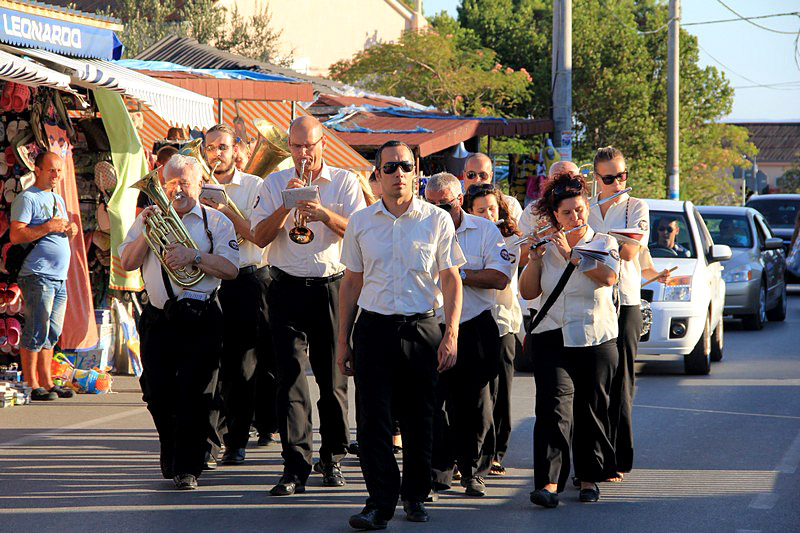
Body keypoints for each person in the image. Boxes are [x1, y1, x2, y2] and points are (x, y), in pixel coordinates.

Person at [336, 141, 463, 530]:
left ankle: (415, 495)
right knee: (373, 421)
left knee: (418, 418)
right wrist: (342, 339)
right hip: (373, 328)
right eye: (389, 168)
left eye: (404, 167)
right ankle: (379, 502)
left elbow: (450, 278)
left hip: (422, 328)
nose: (397, 175)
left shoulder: (436, 220)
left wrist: (451, 332)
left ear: (416, 170)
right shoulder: (361, 222)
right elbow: (351, 282)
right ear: (377, 174)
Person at [252, 115, 366, 495]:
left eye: (310, 146)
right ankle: (294, 465)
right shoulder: (273, 183)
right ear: (290, 146)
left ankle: (332, 458)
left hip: (332, 287)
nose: (304, 154)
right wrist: (286, 206)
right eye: (297, 147)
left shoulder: (345, 181)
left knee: (333, 380)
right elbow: (258, 236)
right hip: (285, 287)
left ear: (322, 144)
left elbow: (359, 230)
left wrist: (323, 214)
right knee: (290, 381)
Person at [120, 154, 239, 490]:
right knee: (156, 392)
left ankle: (187, 466)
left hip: (201, 315)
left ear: (199, 185)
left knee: (195, 393)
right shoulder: (148, 218)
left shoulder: (215, 222)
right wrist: (145, 229)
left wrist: (194, 257)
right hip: (159, 316)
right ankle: (170, 446)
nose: (177, 190)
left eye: (184, 183)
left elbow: (230, 269)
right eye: (170, 184)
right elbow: (127, 261)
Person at [519, 171, 620, 506]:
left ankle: (589, 477)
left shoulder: (603, 242)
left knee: (591, 408)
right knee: (552, 408)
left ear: (586, 205)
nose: (575, 216)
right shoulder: (546, 245)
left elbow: (608, 277)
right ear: (554, 215)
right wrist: (533, 260)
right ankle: (548, 482)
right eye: (566, 212)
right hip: (552, 334)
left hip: (594, 335)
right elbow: (529, 291)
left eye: (579, 209)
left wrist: (573, 256)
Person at [426, 172, 513, 498]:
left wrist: (456, 274)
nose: (437, 211)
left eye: (445, 205)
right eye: (431, 204)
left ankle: (474, 471)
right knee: (434, 404)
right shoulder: (419, 225)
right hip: (431, 324)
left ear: (460, 200)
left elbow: (499, 277)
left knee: (476, 404)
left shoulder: (485, 229)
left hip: (474, 323)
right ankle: (438, 471)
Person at [199, 123, 272, 467]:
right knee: (208, 365)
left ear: (235, 149)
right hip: (206, 282)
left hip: (244, 280)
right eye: (211, 148)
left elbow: (256, 236)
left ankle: (237, 440)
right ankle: (208, 442)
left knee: (241, 365)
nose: (217, 154)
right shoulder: (195, 184)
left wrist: (224, 209)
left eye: (223, 147)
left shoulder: (254, 186)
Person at [586, 146, 648, 483]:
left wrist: (596, 241)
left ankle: (618, 458)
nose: (617, 182)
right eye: (609, 178)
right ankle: (590, 457)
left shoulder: (636, 206)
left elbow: (628, 251)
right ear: (597, 179)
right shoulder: (588, 209)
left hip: (625, 301)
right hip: (592, 301)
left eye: (622, 175)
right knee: (593, 385)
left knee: (621, 382)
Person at [463, 185, 523, 477]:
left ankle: (496, 452)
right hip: (470, 321)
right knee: (476, 395)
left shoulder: (510, 241)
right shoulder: (463, 235)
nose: (488, 215)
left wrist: (466, 274)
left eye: (492, 209)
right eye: (481, 210)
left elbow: (498, 277)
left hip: (503, 322)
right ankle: (469, 454)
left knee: (501, 392)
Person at [10, 152, 78, 401]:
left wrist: (71, 230)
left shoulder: (57, 199)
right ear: (37, 170)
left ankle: (48, 382)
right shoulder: (27, 198)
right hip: (37, 274)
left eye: (59, 171)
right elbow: (16, 235)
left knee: (52, 330)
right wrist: (47, 227)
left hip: (58, 276)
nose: (56, 175)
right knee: (37, 328)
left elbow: (61, 231)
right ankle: (32, 383)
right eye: (51, 170)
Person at [463, 153, 523, 224]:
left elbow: (520, 233)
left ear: (491, 176)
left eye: (483, 175)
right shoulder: (456, 205)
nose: (477, 180)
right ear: (464, 176)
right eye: (471, 174)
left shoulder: (511, 205)